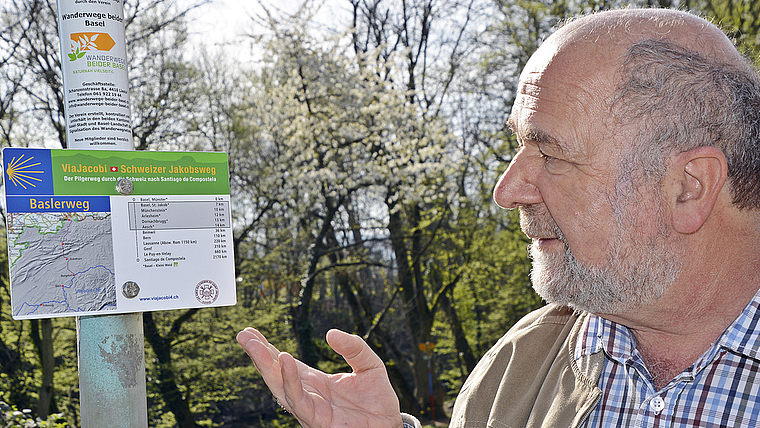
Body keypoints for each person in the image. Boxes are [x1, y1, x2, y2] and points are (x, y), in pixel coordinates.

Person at [237, 7, 760, 427]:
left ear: (689, 187)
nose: (507, 191)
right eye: (517, 147)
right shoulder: (516, 367)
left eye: (551, 155)